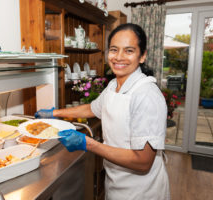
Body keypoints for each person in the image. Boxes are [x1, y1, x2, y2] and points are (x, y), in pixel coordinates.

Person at [35, 23, 170, 200]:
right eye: (114, 50)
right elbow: (92, 108)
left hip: (142, 191)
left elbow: (143, 161)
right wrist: (55, 113)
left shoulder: (147, 95)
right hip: (116, 183)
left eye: (129, 51)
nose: (119, 57)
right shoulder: (114, 85)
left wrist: (88, 143)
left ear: (142, 56)